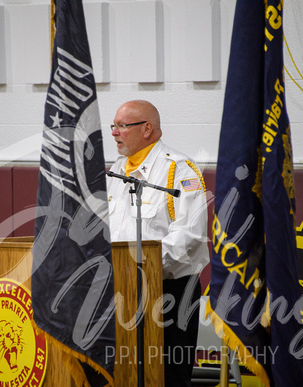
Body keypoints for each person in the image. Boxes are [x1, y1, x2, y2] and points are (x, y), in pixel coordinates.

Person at [107, 100, 209, 386]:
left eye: (121, 126)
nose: (114, 133)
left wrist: (141, 268)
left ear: (147, 129)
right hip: (123, 290)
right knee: (125, 373)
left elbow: (189, 234)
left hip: (171, 291)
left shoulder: (180, 170)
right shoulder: (116, 171)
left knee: (169, 376)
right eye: (113, 126)